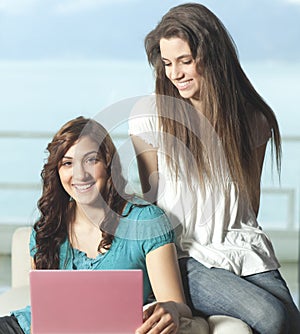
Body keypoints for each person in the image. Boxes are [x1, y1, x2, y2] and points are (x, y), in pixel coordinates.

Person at [128, 3, 300, 334]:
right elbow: (151, 207)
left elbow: (250, 202)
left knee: (293, 322)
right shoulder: (149, 116)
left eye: (185, 61)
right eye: (167, 63)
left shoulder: (253, 120)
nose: (175, 73)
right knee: (271, 318)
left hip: (240, 246)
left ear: (212, 57)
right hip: (184, 256)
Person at [0, 116, 208, 334]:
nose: (80, 174)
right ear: (58, 171)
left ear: (109, 165)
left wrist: (171, 308)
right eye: (68, 163)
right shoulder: (47, 229)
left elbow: (176, 304)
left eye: (91, 160)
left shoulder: (145, 221)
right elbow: (39, 315)